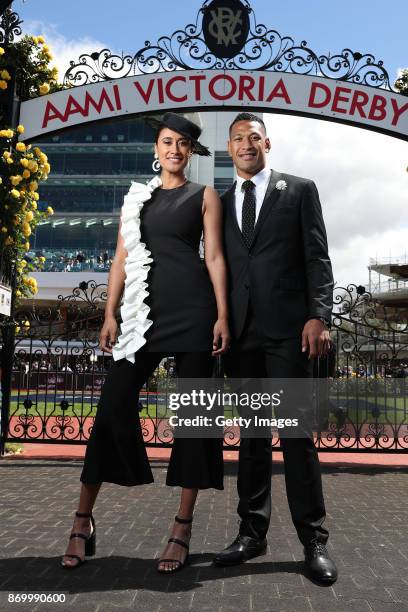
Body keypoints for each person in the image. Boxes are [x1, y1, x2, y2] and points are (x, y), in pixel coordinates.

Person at [61, 113, 230, 573]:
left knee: (196, 417)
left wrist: (222, 315)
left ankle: (181, 527)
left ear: (191, 153)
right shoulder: (135, 198)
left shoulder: (204, 195)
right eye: (167, 142)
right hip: (142, 317)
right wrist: (109, 313)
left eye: (182, 144)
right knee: (113, 403)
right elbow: (120, 259)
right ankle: (82, 520)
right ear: (156, 149)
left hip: (194, 312)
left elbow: (213, 256)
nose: (174, 150)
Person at [213, 112, 338, 584]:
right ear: (229, 150)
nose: (247, 145)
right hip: (242, 337)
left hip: (290, 331)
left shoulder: (300, 189)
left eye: (254, 137)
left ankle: (314, 540)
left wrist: (318, 314)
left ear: (269, 142)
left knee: (298, 436)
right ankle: (252, 533)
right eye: (238, 139)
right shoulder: (220, 203)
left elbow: (317, 255)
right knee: (251, 438)